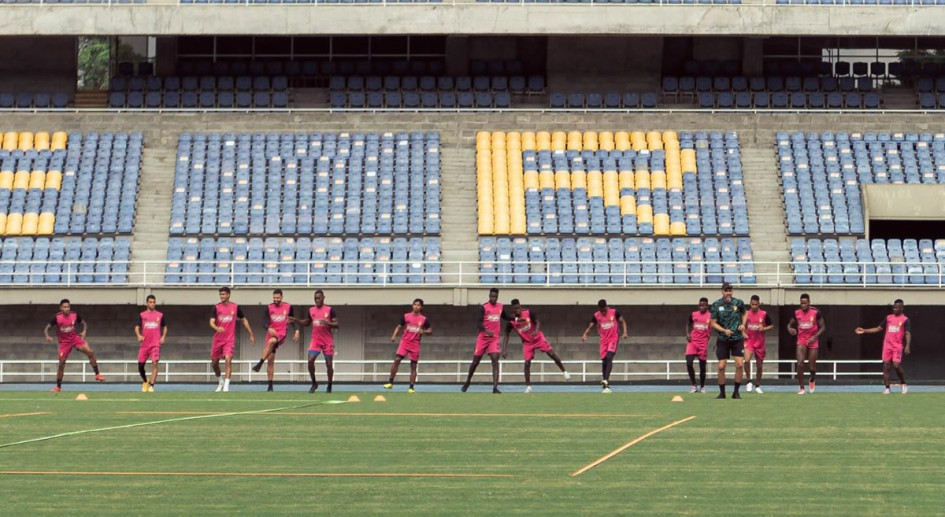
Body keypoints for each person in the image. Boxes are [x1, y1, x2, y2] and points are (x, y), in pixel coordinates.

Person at [501, 299, 571, 393]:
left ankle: (564, 371)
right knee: (527, 364)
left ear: (520, 307)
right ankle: (528, 386)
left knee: (551, 354)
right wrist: (504, 349)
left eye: (518, 308)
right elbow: (506, 334)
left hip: (538, 338)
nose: (517, 310)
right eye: (515, 309)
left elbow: (538, 321)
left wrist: (537, 330)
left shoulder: (528, 312)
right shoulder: (512, 320)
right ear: (512, 309)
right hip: (527, 343)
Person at [44, 299, 105, 392]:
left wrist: (84, 331)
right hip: (64, 343)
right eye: (64, 307)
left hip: (75, 339)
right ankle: (58, 387)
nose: (67, 309)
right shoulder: (57, 317)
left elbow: (84, 323)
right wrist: (47, 336)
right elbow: (46, 328)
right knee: (61, 364)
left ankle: (97, 374)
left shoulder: (74, 315)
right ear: (61, 308)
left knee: (90, 352)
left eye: (68, 307)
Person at [461, 287, 512, 394]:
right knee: (475, 362)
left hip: (494, 339)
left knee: (495, 360)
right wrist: (486, 330)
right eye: (492, 296)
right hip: (483, 338)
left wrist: (516, 319)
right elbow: (478, 323)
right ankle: (468, 381)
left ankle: (495, 387)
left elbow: (506, 317)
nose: (493, 298)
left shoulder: (500, 307)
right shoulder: (483, 307)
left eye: (495, 296)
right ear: (489, 296)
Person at [855, 299, 911, 394]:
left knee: (896, 365)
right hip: (887, 346)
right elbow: (878, 328)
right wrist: (864, 330)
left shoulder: (905, 319)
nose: (895, 308)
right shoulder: (888, 318)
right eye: (894, 307)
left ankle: (903, 383)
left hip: (897, 346)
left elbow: (907, 333)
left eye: (897, 307)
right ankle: (887, 388)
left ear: (902, 308)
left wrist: (907, 345)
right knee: (886, 366)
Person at [252, 289, 299, 392]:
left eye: (277, 298)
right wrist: (269, 328)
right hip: (270, 333)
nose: (276, 299)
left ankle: (259, 364)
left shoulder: (288, 307)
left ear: (282, 297)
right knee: (270, 360)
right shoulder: (269, 308)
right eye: (274, 298)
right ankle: (270, 386)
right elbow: (264, 323)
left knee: (272, 341)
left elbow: (292, 321)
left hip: (281, 334)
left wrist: (296, 331)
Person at [210, 286, 255, 392]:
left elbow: (244, 320)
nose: (222, 296)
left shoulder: (235, 307)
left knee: (228, 360)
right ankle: (220, 382)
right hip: (217, 340)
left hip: (229, 340)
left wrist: (251, 334)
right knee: (214, 363)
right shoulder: (216, 307)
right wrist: (216, 328)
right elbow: (211, 322)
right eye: (220, 294)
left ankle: (226, 386)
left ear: (228, 295)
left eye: (223, 294)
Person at [383, 298, 432, 393]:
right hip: (404, 342)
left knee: (413, 366)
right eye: (414, 304)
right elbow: (399, 326)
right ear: (412, 305)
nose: (416, 306)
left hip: (415, 344)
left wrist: (424, 331)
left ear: (421, 307)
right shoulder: (406, 316)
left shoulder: (424, 319)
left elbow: (430, 331)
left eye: (418, 305)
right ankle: (390, 382)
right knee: (397, 360)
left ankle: (411, 387)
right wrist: (394, 336)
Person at [581, 299, 629, 394]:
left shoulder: (614, 312)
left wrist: (625, 332)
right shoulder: (596, 315)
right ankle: (605, 385)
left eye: (604, 309)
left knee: (609, 357)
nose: (603, 311)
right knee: (604, 362)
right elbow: (591, 326)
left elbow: (622, 322)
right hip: (603, 341)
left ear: (606, 306)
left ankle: (606, 380)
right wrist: (585, 334)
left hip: (613, 338)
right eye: (601, 309)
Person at [296, 289, 338, 394]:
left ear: (323, 298)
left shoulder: (329, 310)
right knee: (310, 360)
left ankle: (329, 386)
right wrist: (296, 320)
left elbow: (337, 324)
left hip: (327, 341)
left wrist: (327, 322)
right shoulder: (311, 310)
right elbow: (307, 323)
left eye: (319, 298)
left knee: (329, 364)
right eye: (315, 298)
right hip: (316, 340)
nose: (317, 300)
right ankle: (314, 383)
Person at [710, 283, 746, 399]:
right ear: (722, 291)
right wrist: (724, 330)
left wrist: (742, 324)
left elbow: (745, 314)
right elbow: (713, 322)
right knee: (721, 366)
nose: (728, 293)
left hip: (737, 338)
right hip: (723, 339)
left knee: (740, 365)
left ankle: (736, 392)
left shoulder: (738, 303)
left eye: (730, 290)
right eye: (726, 291)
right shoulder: (716, 305)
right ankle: (722, 392)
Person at [787, 293, 825, 395]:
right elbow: (789, 324)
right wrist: (789, 329)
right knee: (800, 363)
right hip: (802, 340)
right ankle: (801, 388)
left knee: (811, 367)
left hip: (813, 340)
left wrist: (815, 337)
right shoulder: (797, 313)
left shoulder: (816, 312)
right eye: (801, 303)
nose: (803, 305)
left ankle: (812, 379)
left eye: (805, 303)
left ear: (809, 302)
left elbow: (823, 327)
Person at [134, 294, 167, 393]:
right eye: (150, 302)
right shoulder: (142, 315)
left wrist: (163, 337)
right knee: (140, 366)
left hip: (155, 344)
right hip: (144, 345)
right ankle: (145, 381)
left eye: (154, 302)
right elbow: (136, 327)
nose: (152, 304)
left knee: (155, 363)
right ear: (147, 303)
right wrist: (139, 336)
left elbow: (165, 326)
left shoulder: (160, 315)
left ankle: (151, 385)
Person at [742, 295, 773, 394]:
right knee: (746, 360)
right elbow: (741, 326)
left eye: (756, 304)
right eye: (752, 304)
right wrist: (743, 333)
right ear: (750, 304)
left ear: (759, 304)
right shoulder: (746, 314)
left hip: (760, 343)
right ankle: (748, 382)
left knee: (759, 365)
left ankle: (758, 385)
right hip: (749, 341)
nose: (754, 306)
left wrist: (763, 329)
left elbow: (771, 325)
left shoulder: (764, 314)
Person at [684, 297, 711, 394]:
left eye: (703, 305)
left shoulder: (711, 316)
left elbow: (715, 327)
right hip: (692, 342)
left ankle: (703, 386)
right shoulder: (694, 314)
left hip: (703, 344)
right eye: (700, 305)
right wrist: (687, 334)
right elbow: (688, 323)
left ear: (707, 306)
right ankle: (694, 386)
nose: (701, 307)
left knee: (702, 367)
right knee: (689, 363)